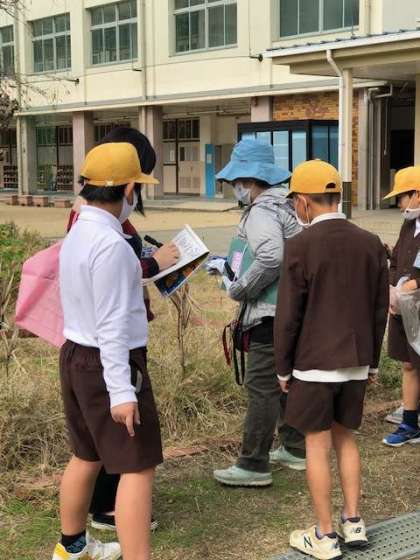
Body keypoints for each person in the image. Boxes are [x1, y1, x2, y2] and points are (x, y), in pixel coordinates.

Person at [53, 143, 165, 560]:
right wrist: (122, 393)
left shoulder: (77, 232)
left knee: (86, 455)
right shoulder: (113, 245)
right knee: (137, 466)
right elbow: (114, 326)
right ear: (130, 189)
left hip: (75, 354)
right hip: (110, 363)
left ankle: (71, 548)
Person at [274, 160, 389, 559]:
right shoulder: (370, 242)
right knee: (346, 439)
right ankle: (353, 522)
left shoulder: (300, 245)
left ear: (304, 201)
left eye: (295, 201)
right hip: (356, 361)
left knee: (317, 444)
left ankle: (324, 535)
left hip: (313, 363)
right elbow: (379, 307)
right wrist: (372, 363)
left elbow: (288, 316)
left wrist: (282, 368)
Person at [213, 139, 306, 488]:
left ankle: (253, 464)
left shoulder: (261, 211)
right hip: (293, 310)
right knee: (285, 381)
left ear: (249, 180)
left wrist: (238, 288)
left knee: (261, 386)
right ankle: (295, 447)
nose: (234, 188)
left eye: (235, 182)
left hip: (268, 313)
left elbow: (270, 256)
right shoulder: (289, 206)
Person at [382, 166, 420, 446]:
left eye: (401, 197)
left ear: (417, 195)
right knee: (408, 364)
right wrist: (393, 291)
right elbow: (396, 261)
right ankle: (409, 423)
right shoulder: (409, 225)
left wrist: (413, 285)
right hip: (405, 309)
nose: (399, 204)